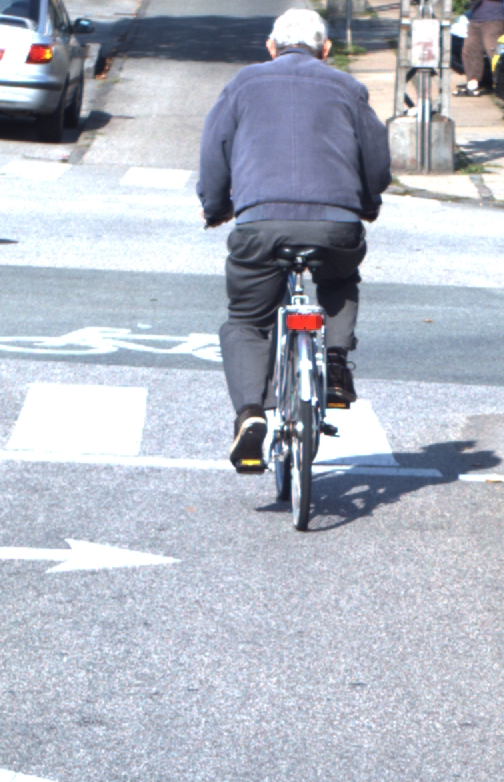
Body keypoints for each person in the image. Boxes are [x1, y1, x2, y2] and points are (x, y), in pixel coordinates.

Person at [197, 9, 390, 473]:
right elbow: (376, 157)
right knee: (339, 278)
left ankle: (250, 414)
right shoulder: (348, 87)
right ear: (327, 50)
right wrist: (367, 203)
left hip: (261, 223)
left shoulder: (244, 83)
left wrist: (216, 206)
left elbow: (215, 148)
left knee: (247, 320)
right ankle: (336, 366)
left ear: (270, 46)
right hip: (335, 223)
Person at [459, 0, 504, 97]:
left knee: (493, 51)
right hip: (475, 19)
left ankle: (502, 84)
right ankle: (472, 85)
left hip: (493, 19)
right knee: (470, 50)